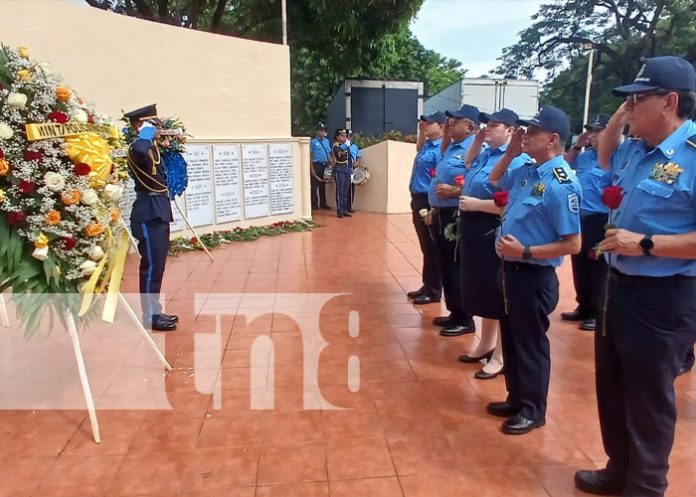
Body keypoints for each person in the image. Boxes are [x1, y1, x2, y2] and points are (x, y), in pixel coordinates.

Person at [574, 56, 696, 497]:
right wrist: (622, 113)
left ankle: (645, 486)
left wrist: (644, 244)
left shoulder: (692, 154)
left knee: (648, 398)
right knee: (613, 385)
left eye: (638, 99)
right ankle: (618, 468)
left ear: (670, 101)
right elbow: (605, 151)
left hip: (665, 295)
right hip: (618, 288)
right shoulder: (634, 151)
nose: (629, 109)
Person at [488, 105, 582, 434]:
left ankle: (533, 409)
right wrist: (512, 150)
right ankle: (516, 397)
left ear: (553, 139)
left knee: (530, 343)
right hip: (510, 270)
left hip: (533, 275)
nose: (525, 135)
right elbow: (494, 177)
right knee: (512, 338)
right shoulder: (529, 169)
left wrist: (525, 250)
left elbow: (573, 244)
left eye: (533, 132)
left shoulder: (561, 184)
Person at [458, 108, 529, 380]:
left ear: (511, 130)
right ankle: (485, 343)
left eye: (496, 125)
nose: (489, 128)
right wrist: (479, 136)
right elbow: (467, 160)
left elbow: (512, 203)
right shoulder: (486, 153)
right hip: (474, 227)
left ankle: (500, 354)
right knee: (483, 289)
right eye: (488, 124)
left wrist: (478, 204)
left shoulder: (515, 160)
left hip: (493, 227)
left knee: (498, 293)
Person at [124, 104, 178, 332]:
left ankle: (155, 311)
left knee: (158, 266)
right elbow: (140, 149)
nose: (157, 128)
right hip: (147, 212)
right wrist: (144, 133)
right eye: (152, 124)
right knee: (151, 265)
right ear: (140, 125)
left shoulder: (150, 148)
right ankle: (149, 316)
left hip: (158, 209)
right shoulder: (138, 147)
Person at [428, 105, 480, 337]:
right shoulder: (451, 148)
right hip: (441, 213)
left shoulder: (476, 149)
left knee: (457, 266)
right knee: (445, 264)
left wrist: (454, 190)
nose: (449, 124)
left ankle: (465, 317)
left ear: (469, 126)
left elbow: (479, 185)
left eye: (455, 121)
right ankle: (454, 311)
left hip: (456, 215)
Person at [560, 114, 612, 331]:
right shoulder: (586, 156)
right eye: (591, 131)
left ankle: (598, 312)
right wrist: (576, 145)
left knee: (598, 267)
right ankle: (584, 305)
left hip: (600, 219)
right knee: (579, 263)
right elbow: (561, 166)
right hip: (580, 217)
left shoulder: (612, 158)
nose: (592, 135)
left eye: (598, 131)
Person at [407, 112, 445, 305]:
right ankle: (427, 284)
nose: (425, 126)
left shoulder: (441, 149)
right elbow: (418, 146)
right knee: (425, 245)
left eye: (430, 123)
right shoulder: (428, 145)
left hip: (428, 201)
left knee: (432, 247)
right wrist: (422, 131)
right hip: (418, 199)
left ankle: (433, 290)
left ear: (441, 126)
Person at [309, 122, 332, 211]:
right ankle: (314, 204)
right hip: (316, 165)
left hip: (325, 165)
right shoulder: (313, 142)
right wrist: (312, 168)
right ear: (317, 132)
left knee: (323, 185)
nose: (323, 133)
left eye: (324, 131)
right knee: (314, 186)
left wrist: (331, 162)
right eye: (321, 131)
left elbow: (329, 153)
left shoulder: (326, 141)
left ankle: (323, 203)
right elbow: (310, 155)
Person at [332, 128, 352, 218]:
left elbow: (349, 158)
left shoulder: (345, 146)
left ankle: (344, 209)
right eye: (342, 136)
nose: (344, 137)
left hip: (346, 169)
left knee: (345, 191)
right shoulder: (336, 146)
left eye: (345, 136)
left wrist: (350, 169)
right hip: (339, 169)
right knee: (340, 190)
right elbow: (338, 154)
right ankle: (339, 210)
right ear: (337, 137)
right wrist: (345, 146)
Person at [347, 130, 362, 213]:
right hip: (345, 169)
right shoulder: (342, 146)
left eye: (350, 136)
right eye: (348, 136)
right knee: (345, 189)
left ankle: (350, 206)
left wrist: (357, 163)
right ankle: (343, 207)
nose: (349, 138)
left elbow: (358, 156)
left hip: (353, 170)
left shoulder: (355, 147)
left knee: (352, 189)